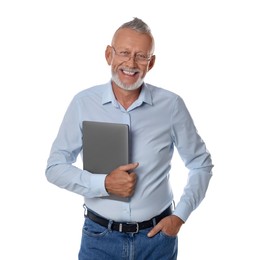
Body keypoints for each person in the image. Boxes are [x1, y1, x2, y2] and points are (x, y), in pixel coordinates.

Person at [45, 17, 213, 260]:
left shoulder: (171, 105)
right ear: (108, 55)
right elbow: (54, 168)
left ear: (151, 62)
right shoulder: (83, 103)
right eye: (124, 52)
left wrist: (179, 216)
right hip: (99, 239)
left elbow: (201, 164)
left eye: (141, 56)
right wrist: (103, 184)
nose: (131, 63)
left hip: (157, 240)